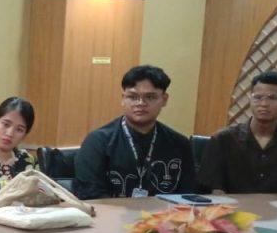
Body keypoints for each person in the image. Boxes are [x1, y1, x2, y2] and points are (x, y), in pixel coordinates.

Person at [73, 65, 196, 200]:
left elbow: (186, 195)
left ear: (164, 99)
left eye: (150, 97)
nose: (141, 103)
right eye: (133, 97)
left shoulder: (179, 144)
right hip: (110, 212)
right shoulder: (97, 142)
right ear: (123, 98)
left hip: (164, 213)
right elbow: (90, 195)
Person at [198, 71, 277, 194]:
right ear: (250, 99)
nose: (264, 104)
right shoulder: (223, 140)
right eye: (257, 97)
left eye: (272, 98)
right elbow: (213, 191)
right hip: (234, 206)